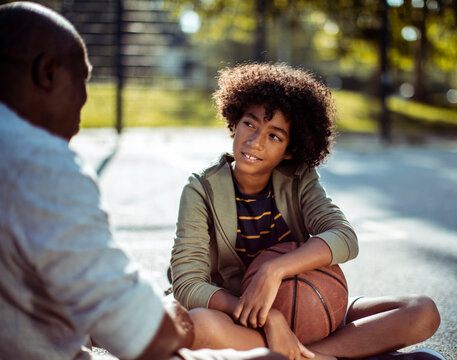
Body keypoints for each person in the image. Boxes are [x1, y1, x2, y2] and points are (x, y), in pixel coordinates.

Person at [0, 3, 283, 360]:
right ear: (47, 72)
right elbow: (146, 335)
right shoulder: (38, 162)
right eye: (83, 79)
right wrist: (168, 313)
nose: (85, 99)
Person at [170, 63, 445, 360]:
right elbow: (187, 282)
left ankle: (300, 355)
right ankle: (338, 355)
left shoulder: (299, 179)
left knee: (421, 311)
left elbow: (344, 237)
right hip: (245, 317)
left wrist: (274, 270)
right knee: (197, 325)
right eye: (250, 124)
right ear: (235, 122)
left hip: (314, 308)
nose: (255, 141)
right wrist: (271, 319)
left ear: (290, 149)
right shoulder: (201, 189)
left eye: (274, 136)